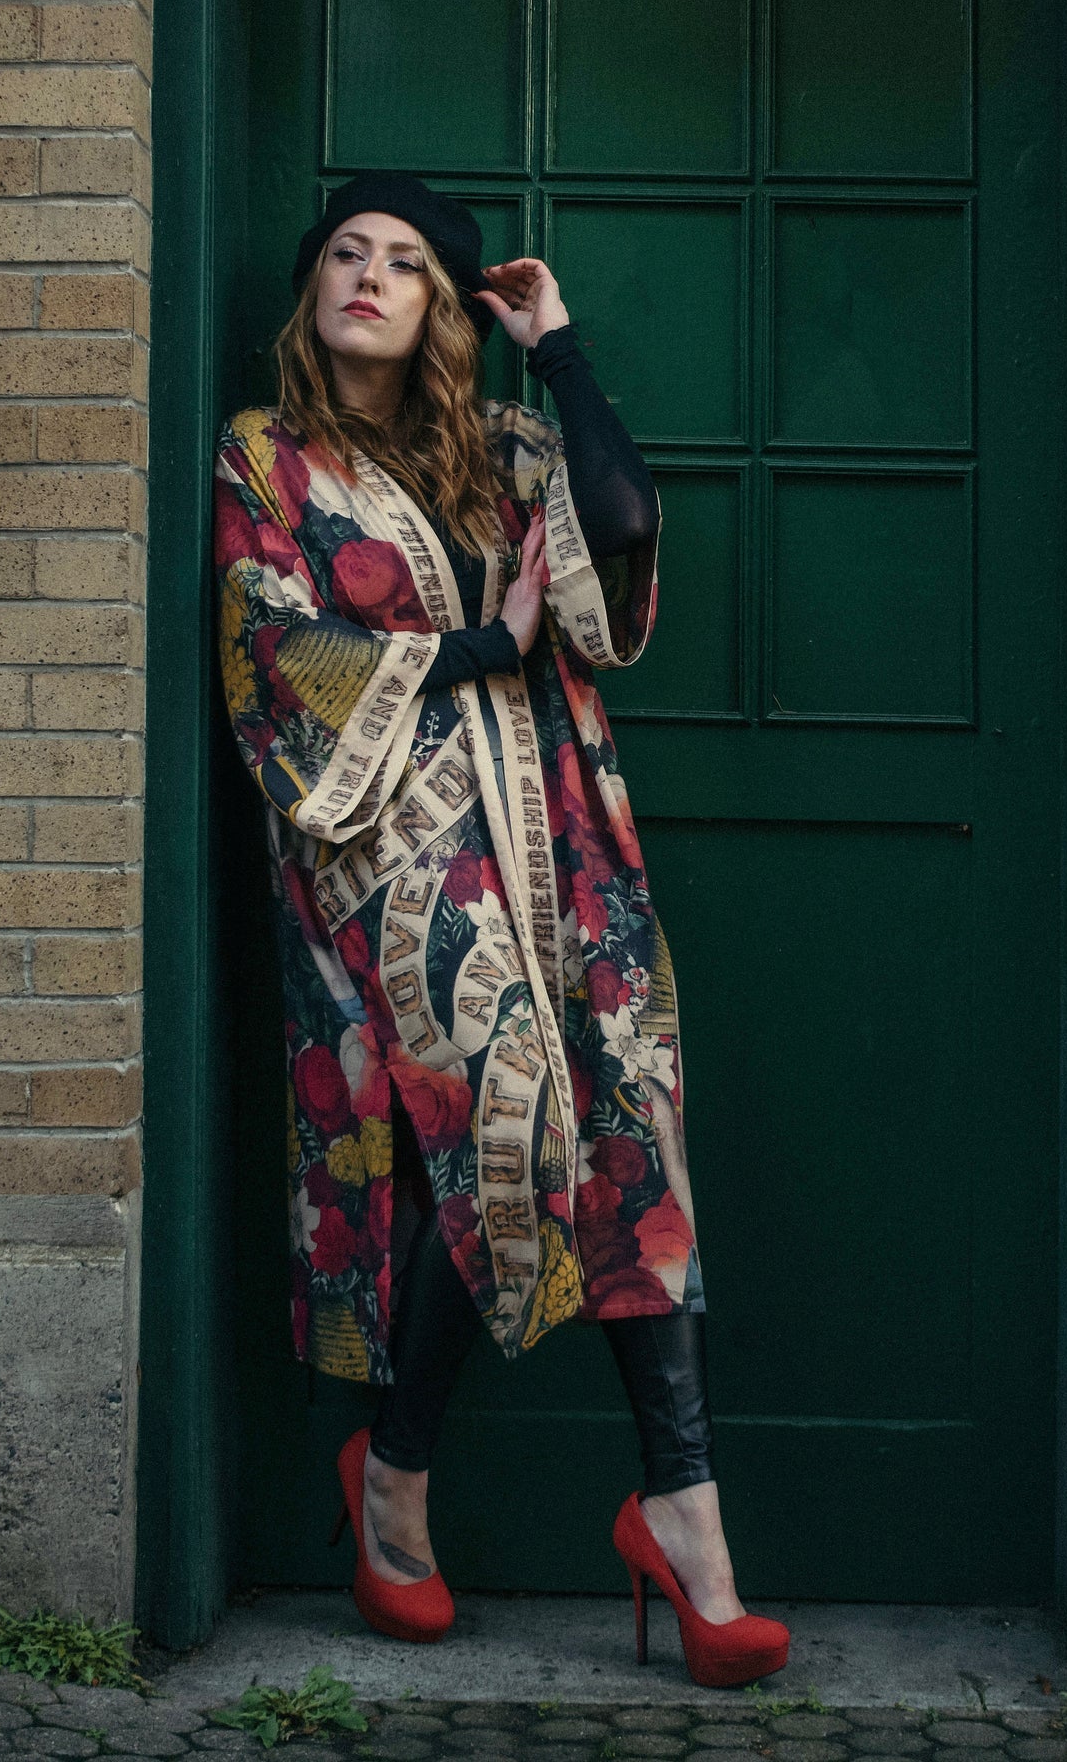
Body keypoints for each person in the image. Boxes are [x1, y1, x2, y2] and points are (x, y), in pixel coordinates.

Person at [213, 172, 789, 1687]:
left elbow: (624, 533)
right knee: (496, 1131)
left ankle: (685, 1522)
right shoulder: (268, 457)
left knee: (633, 1130)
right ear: (312, 285)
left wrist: (561, 349)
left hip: (566, 834)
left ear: (443, 307)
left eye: (406, 263)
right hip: (391, 856)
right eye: (346, 252)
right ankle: (394, 1478)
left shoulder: (512, 449)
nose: (369, 276)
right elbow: (273, 650)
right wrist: (483, 642)